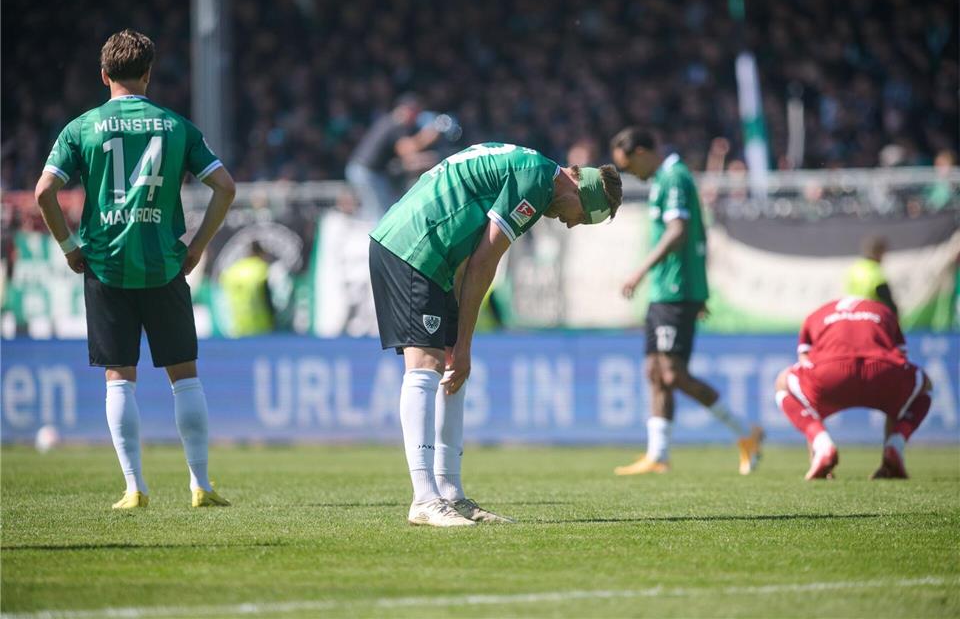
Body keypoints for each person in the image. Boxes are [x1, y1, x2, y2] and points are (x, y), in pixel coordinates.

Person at [369, 142, 622, 526]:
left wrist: (459, 344)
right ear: (576, 189)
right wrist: (465, 344)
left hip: (432, 252)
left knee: (451, 369)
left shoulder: (532, 170)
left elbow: (470, 249)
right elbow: (484, 262)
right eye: (582, 217)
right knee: (427, 366)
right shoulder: (536, 182)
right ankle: (424, 498)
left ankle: (450, 493)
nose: (570, 224)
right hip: (413, 247)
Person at [33, 30, 236, 509]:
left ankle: (134, 487)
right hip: (164, 264)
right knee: (184, 377)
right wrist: (196, 248)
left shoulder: (82, 128)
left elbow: (44, 192)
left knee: (119, 378)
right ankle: (201, 485)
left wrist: (68, 246)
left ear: (104, 75)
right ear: (148, 74)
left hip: (105, 266)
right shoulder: (177, 126)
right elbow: (226, 187)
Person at [609, 127, 763, 476]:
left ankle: (745, 432)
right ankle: (658, 455)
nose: (630, 173)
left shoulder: (674, 177)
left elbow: (678, 231)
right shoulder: (665, 179)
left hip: (675, 290)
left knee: (671, 373)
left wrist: (640, 271)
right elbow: (699, 234)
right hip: (667, 290)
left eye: (629, 165)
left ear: (643, 152)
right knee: (655, 373)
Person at [774, 297, 932, 479]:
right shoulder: (884, 311)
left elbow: (805, 361)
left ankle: (822, 446)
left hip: (831, 372)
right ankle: (895, 445)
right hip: (881, 371)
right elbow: (901, 357)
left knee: (783, 384)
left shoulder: (815, 315)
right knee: (922, 387)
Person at [345, 94, 442, 220]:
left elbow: (406, 158)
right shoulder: (396, 124)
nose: (417, 117)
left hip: (365, 171)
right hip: (367, 172)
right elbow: (407, 150)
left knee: (385, 209)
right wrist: (428, 136)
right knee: (382, 215)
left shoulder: (389, 120)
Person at [220, 241, 275, 337]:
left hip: (236, 327)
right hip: (260, 326)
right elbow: (267, 298)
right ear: (260, 253)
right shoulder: (261, 268)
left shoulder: (233, 269)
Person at [844, 235, 898, 317]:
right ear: (879, 253)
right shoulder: (876, 274)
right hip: (872, 316)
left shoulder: (854, 269)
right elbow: (889, 303)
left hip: (853, 315)